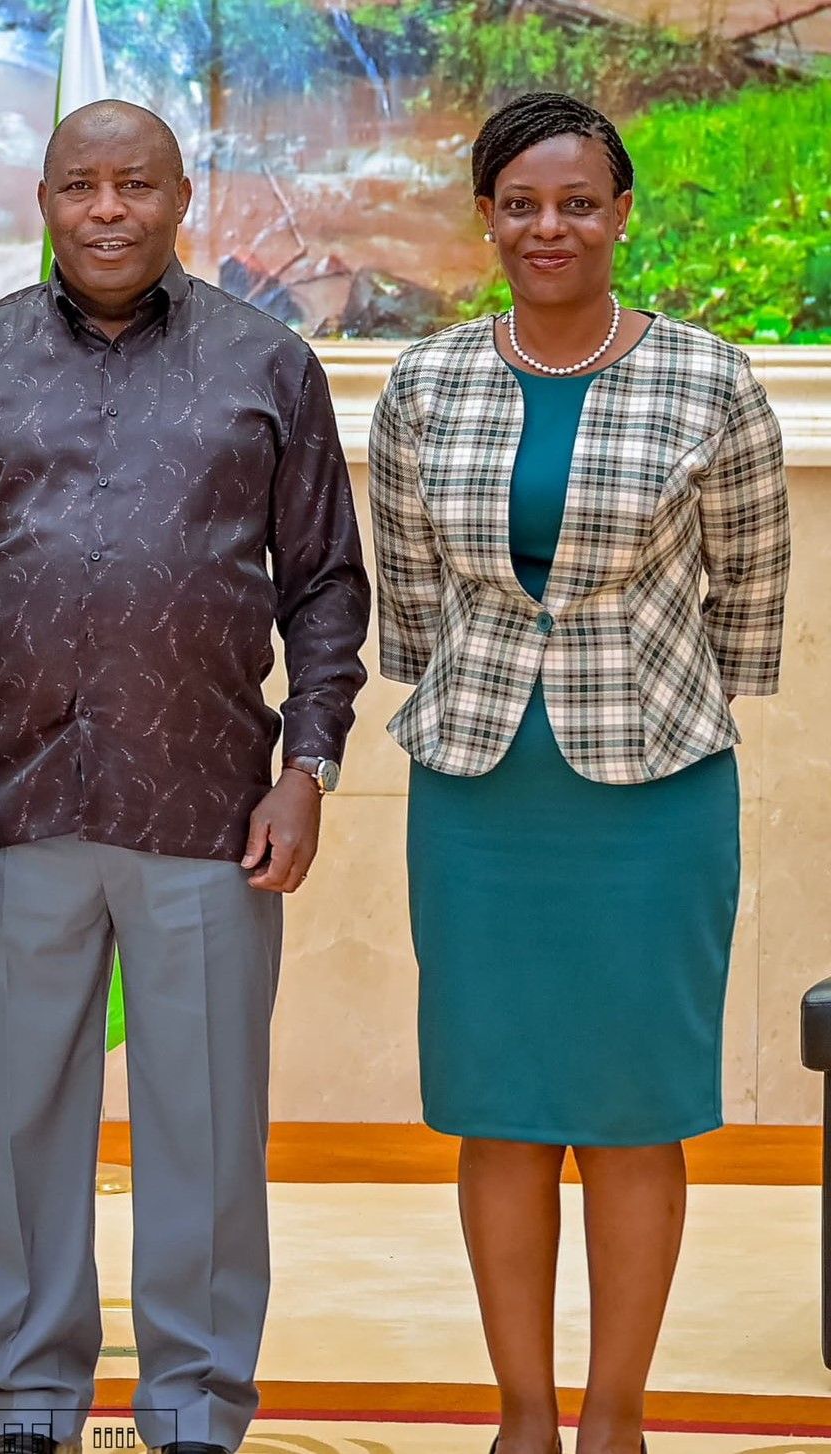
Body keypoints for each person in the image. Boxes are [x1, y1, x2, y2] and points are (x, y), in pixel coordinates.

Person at [0, 100, 370, 1454]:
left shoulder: (270, 363)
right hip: (11, 812)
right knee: (26, 1130)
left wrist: (307, 760)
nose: (109, 209)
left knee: (205, 1136)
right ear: (40, 197)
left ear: (180, 196)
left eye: (136, 184)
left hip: (209, 810)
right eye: (82, 184)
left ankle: (196, 1407)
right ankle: (30, 1400)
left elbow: (326, 585)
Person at [368, 92, 789, 1454]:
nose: (551, 225)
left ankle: (614, 1416)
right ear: (487, 217)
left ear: (620, 214)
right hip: (483, 792)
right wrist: (492, 689)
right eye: (522, 203)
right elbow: (412, 607)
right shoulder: (425, 386)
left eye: (579, 202)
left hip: (656, 794)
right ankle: (525, 1418)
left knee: (628, 1110)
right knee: (499, 1108)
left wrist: (647, 694)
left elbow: (751, 601)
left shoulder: (712, 380)